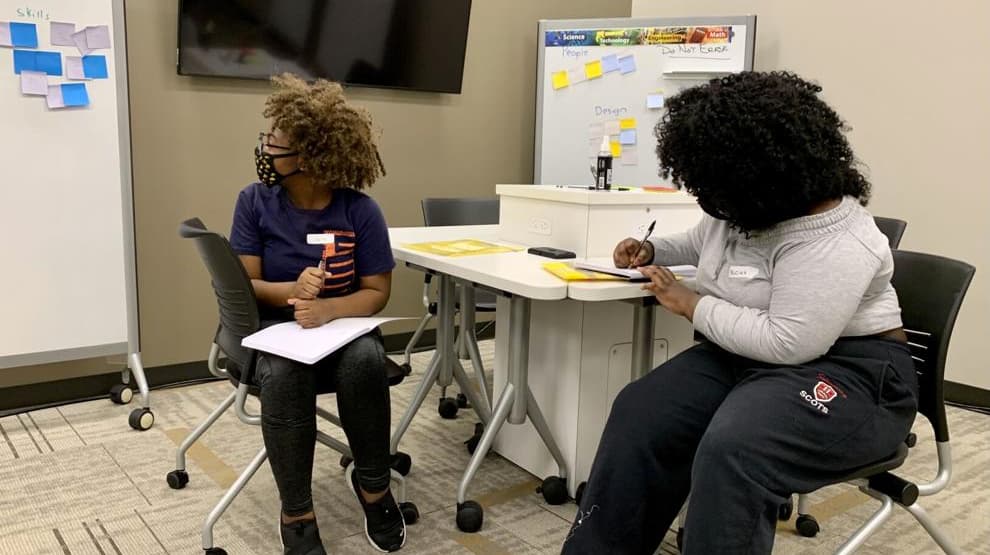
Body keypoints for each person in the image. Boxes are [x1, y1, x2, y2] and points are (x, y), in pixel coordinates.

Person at [562, 71, 917, 554]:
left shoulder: (837, 239)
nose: (711, 204)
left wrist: (692, 305)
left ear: (763, 175)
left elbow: (789, 342)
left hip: (854, 373)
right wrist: (653, 249)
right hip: (748, 357)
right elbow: (701, 240)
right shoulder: (743, 205)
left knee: (738, 447)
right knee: (641, 412)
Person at [230, 74, 404, 554]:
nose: (265, 148)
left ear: (307, 157)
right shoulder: (254, 202)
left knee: (366, 362)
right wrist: (292, 290)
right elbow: (247, 286)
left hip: (343, 329)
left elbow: (376, 292)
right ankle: (297, 511)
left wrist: (328, 308)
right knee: (285, 377)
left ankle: (373, 486)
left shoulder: (359, 211)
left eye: (275, 142)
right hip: (276, 333)